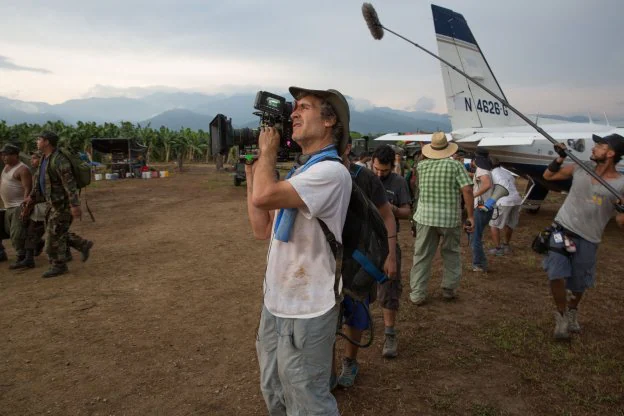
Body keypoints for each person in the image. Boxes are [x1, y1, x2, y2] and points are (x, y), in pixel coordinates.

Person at [246, 87, 352, 415]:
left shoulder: (330, 172)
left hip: (308, 307)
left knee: (307, 400)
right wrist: (253, 173)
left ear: (330, 120)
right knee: (274, 389)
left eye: (304, 107)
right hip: (277, 302)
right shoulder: (300, 173)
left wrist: (267, 154)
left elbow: (264, 197)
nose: (293, 114)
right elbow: (262, 228)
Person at [542, 134, 624, 340]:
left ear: (611, 153)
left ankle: (572, 310)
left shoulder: (621, 184)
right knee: (555, 273)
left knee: (578, 285)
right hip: (562, 229)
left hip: (589, 238)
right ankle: (561, 316)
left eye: (600, 145)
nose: (594, 147)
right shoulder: (581, 167)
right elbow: (548, 177)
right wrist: (559, 157)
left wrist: (622, 209)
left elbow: (621, 222)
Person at [335, 138, 398, 388]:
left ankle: (350, 362)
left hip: (358, 261)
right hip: (324, 262)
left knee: (355, 312)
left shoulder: (365, 178)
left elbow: (388, 216)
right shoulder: (312, 174)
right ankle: (326, 372)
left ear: (347, 147)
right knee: (325, 319)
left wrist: (391, 255)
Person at [409, 132, 474, 305]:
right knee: (451, 252)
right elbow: (467, 190)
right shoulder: (456, 166)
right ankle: (448, 289)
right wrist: (470, 216)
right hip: (449, 219)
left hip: (425, 217)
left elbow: (418, 189)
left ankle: (417, 293)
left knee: (422, 255)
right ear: (448, 148)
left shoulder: (421, 166)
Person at [28, 131, 93, 278]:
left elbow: (69, 184)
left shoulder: (59, 160)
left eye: (39, 139)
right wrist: (31, 197)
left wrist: (74, 205)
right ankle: (82, 244)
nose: (37, 142)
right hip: (51, 203)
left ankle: (59, 265)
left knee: (52, 237)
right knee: (57, 231)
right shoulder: (45, 158)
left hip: (62, 204)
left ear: (47, 142)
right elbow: (39, 180)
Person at [371, 144, 411, 358]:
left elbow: (407, 211)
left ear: (392, 167)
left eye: (384, 171)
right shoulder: (365, 178)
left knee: (389, 287)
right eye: (376, 169)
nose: (379, 174)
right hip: (364, 241)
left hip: (388, 243)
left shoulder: (399, 182)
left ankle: (389, 334)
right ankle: (361, 323)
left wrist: (392, 209)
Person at [12, 151, 47, 269]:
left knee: (33, 231)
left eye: (34, 158)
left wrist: (30, 202)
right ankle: (29, 257)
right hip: (40, 206)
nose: (32, 161)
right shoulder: (38, 171)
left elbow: (40, 192)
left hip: (43, 206)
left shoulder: (44, 172)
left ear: (41, 159)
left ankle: (29, 258)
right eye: (31, 158)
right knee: (33, 231)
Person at [0, 143, 31, 269]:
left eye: (7, 155)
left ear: (16, 155)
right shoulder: (6, 167)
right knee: (8, 231)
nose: (4, 157)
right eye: (3, 155)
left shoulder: (22, 169)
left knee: (16, 233)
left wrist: (25, 207)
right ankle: (36, 244)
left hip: (19, 205)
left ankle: (21, 257)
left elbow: (27, 189)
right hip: (8, 206)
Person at [487, 156, 522, 256]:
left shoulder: (492, 174)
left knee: (493, 224)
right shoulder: (506, 172)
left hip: (504, 200)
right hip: (516, 198)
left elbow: (489, 188)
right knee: (510, 223)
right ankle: (506, 245)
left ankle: (498, 249)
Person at [470, 149, 493, 272]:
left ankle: (479, 264)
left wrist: (473, 195)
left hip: (481, 206)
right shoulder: (486, 169)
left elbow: (486, 184)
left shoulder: (481, 170)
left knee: (475, 237)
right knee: (474, 235)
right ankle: (481, 261)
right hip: (486, 206)